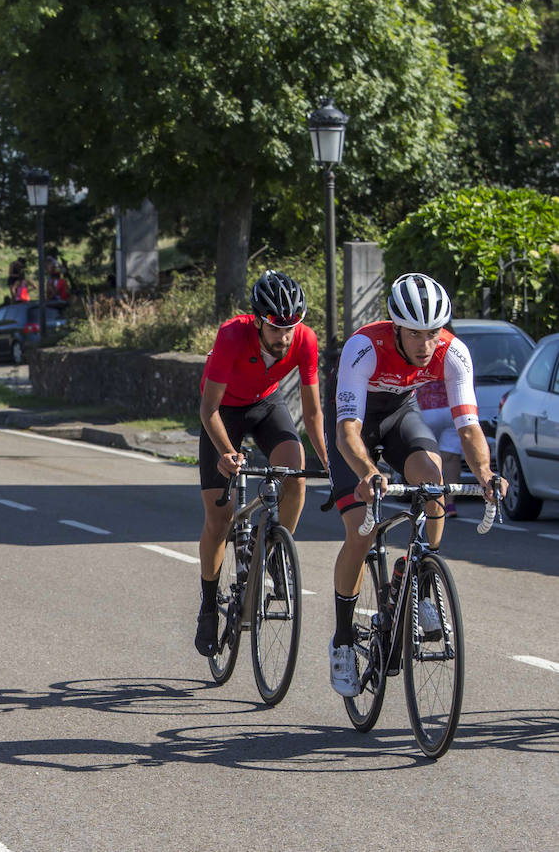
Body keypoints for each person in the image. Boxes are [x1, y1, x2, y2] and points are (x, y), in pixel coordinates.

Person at [326, 273, 505, 697]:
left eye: (433, 333)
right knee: (360, 533)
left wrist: (485, 474)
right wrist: (369, 472)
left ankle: (420, 573)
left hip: (399, 415)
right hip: (356, 425)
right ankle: (343, 640)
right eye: (415, 334)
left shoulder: (452, 351)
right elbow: (347, 432)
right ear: (396, 328)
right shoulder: (364, 347)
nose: (426, 344)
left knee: (433, 476)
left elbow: (468, 425)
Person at [194, 271, 328, 657]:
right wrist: (226, 453)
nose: (284, 337)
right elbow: (209, 407)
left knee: (295, 473)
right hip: (224, 413)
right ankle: (207, 606)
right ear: (258, 321)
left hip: (267, 405)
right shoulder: (233, 335)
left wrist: (330, 463)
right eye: (275, 329)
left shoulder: (305, 340)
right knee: (219, 518)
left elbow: (313, 412)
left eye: (290, 328)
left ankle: (272, 552)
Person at [414, 377, 464, 517]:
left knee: (425, 455)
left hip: (425, 407)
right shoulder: (451, 356)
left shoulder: (420, 356)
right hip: (451, 410)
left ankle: (429, 503)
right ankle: (449, 503)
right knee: (451, 457)